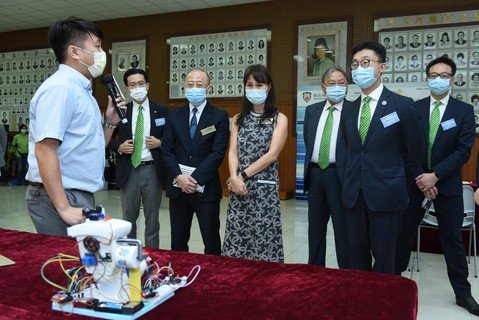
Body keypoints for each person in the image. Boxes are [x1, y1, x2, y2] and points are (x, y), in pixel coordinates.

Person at [25, 17, 126, 237]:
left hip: (76, 194)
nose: (102, 53)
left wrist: (110, 124)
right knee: (65, 265)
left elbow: (88, 146)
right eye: (97, 46)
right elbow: (45, 149)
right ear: (75, 52)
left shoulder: (81, 89)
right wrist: (63, 207)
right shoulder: (60, 89)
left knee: (81, 266)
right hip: (60, 196)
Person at [395, 56, 479, 316]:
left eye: (444, 75)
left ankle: (463, 294)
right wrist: (422, 177)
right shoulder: (413, 108)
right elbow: (406, 147)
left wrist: (436, 176)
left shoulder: (463, 111)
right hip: (415, 184)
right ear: (427, 78)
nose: (438, 79)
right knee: (403, 236)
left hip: (448, 186)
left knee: (453, 240)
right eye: (433, 75)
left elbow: (463, 151)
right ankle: (393, 284)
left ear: (452, 79)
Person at [341, 40, 424, 274]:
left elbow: (414, 152)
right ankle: (360, 302)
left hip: (388, 196)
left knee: (386, 258)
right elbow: (350, 150)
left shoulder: (403, 106)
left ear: (382, 67)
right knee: (356, 256)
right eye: (355, 64)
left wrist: (396, 183)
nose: (359, 69)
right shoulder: (350, 109)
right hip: (354, 196)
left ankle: (382, 306)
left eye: (366, 62)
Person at [222, 64, 287, 262]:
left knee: (264, 236)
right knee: (238, 235)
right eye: (249, 85)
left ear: (268, 87)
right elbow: (232, 151)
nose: (254, 89)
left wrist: (240, 176)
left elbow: (272, 155)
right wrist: (233, 177)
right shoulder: (237, 118)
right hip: (238, 188)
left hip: (264, 190)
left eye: (259, 85)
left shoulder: (279, 118)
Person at [162, 69, 229, 255]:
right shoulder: (173, 116)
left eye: (199, 85)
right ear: (184, 87)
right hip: (178, 188)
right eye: (190, 84)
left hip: (205, 189)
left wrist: (194, 179)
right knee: (178, 241)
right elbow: (167, 150)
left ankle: (213, 279)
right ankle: (179, 276)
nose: (194, 88)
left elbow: (218, 152)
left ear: (208, 88)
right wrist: (179, 177)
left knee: (211, 241)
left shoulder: (219, 117)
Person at [107, 68, 168, 249]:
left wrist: (160, 143)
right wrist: (119, 146)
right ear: (127, 89)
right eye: (133, 85)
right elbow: (104, 137)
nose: (138, 87)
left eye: (141, 83)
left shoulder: (162, 111)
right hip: (129, 170)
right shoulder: (121, 111)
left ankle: (152, 259)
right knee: (128, 221)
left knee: (152, 221)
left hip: (153, 171)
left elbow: (173, 140)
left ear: (148, 85)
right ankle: (130, 258)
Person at [303, 66, 349, 268]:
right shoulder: (311, 111)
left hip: (339, 176)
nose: (336, 87)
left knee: (343, 229)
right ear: (323, 88)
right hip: (315, 175)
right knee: (315, 228)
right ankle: (315, 271)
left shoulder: (353, 110)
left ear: (347, 86)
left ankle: (345, 273)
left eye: (341, 83)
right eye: (332, 84)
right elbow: (308, 140)